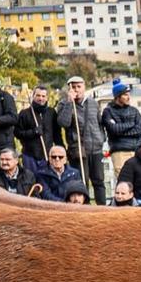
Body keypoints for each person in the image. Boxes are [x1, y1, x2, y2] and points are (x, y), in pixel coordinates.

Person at [57, 76, 106, 204]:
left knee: (99, 181)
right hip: (78, 149)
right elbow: (63, 123)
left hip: (96, 148)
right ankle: (85, 208)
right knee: (81, 183)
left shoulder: (93, 103)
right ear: (69, 89)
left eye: (79, 86)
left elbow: (99, 123)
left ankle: (103, 209)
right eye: (73, 87)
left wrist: (101, 138)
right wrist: (69, 102)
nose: (76, 89)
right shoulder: (64, 103)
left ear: (84, 87)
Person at [102, 80, 141, 191]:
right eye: (125, 94)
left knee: (140, 181)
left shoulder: (134, 111)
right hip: (119, 152)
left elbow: (139, 130)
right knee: (123, 183)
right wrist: (131, 125)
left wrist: (122, 129)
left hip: (136, 150)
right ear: (118, 96)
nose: (128, 97)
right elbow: (114, 130)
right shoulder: (108, 112)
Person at [15, 85, 61, 164]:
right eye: (38, 95)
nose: (41, 98)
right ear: (33, 96)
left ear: (47, 97)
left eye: (43, 96)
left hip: (48, 155)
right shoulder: (24, 113)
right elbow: (17, 133)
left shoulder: (51, 112)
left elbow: (57, 134)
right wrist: (33, 132)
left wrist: (61, 150)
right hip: (29, 155)